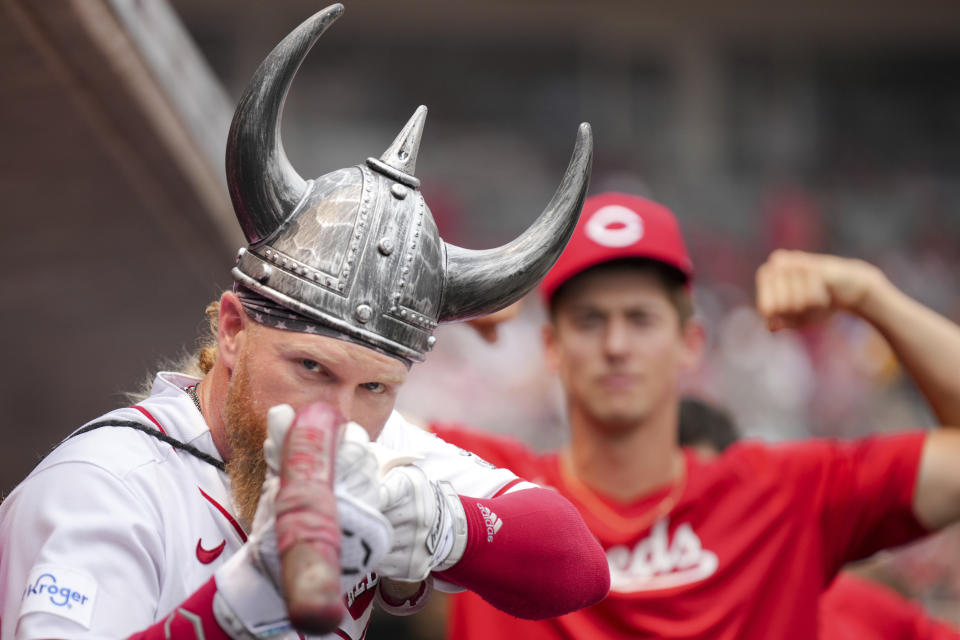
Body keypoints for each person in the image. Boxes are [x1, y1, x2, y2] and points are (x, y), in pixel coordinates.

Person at [0, 6, 610, 640]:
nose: (338, 415)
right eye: (311, 368)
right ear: (234, 330)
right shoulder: (107, 487)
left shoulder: (368, 452)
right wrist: (235, 609)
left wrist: (443, 525)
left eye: (374, 388)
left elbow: (578, 566)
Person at [430, 190, 960, 639]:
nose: (616, 345)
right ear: (550, 345)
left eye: (641, 319)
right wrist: (430, 303)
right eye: (590, 320)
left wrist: (871, 296)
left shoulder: (785, 496)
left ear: (691, 342)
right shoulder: (483, 484)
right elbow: (348, 437)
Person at [678, 395, 960, 639]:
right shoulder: (639, 603)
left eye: (710, 498)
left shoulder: (846, 606)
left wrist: (891, 327)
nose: (695, 527)